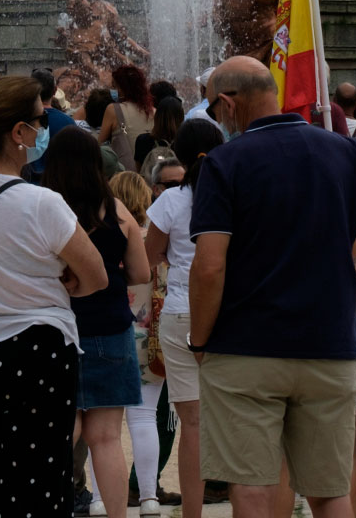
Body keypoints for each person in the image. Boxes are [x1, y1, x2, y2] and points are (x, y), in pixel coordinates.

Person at [188, 56, 356, 518]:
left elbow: (209, 268)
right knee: (329, 490)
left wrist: (200, 340)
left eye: (213, 109)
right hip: (329, 343)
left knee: (253, 486)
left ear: (228, 103)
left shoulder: (225, 161)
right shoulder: (341, 150)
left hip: (245, 347)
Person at [0, 75, 108, 517]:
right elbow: (97, 276)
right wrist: (69, 281)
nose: (42, 128)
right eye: (39, 120)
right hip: (35, 351)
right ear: (18, 133)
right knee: (35, 488)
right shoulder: (40, 203)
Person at [46, 124, 151, 518]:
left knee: (58, 433)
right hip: (110, 328)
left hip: (56, 329)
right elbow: (141, 274)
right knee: (106, 438)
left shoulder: (45, 205)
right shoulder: (118, 209)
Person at [147, 119, 222, 518]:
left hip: (181, 308)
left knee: (191, 424)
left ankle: (192, 513)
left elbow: (149, 254)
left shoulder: (170, 201)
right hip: (229, 309)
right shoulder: (235, 193)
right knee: (241, 418)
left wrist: (175, 262)